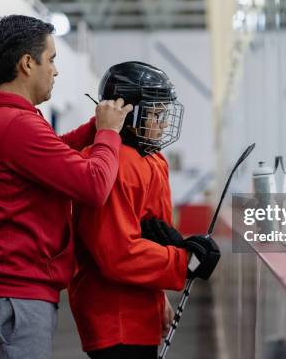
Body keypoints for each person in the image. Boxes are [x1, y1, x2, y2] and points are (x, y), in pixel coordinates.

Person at [0, 15, 132, 359]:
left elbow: (53, 153)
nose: (56, 70)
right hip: (13, 298)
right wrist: (108, 134)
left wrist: (95, 127)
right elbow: (94, 185)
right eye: (51, 59)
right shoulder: (15, 124)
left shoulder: (2, 117)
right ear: (26, 63)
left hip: (6, 293)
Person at [68, 61, 220, 359]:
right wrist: (183, 261)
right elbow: (118, 254)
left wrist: (158, 293)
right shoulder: (116, 164)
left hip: (139, 310)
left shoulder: (152, 160)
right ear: (129, 114)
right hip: (115, 319)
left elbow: (148, 233)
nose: (163, 123)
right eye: (156, 114)